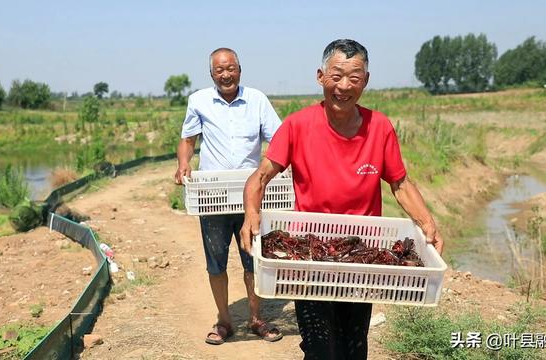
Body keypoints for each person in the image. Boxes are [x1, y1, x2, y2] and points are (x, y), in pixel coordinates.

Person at [240, 39, 444, 359]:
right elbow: (261, 176)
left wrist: (428, 223)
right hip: (309, 258)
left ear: (366, 79)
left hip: (361, 259)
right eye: (336, 76)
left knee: (353, 345)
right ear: (321, 77)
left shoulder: (380, 127)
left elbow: (400, 184)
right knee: (321, 348)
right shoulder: (297, 125)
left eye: (355, 77)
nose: (344, 86)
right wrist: (251, 213)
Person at [174, 47, 284, 345]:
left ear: (240, 70)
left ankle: (256, 318)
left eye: (231, 68)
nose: (226, 74)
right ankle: (224, 321)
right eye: (219, 70)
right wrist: (183, 162)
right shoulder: (198, 101)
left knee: (255, 260)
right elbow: (188, 139)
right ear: (212, 74)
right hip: (214, 195)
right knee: (216, 262)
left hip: (252, 195)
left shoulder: (257, 100)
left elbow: (278, 138)